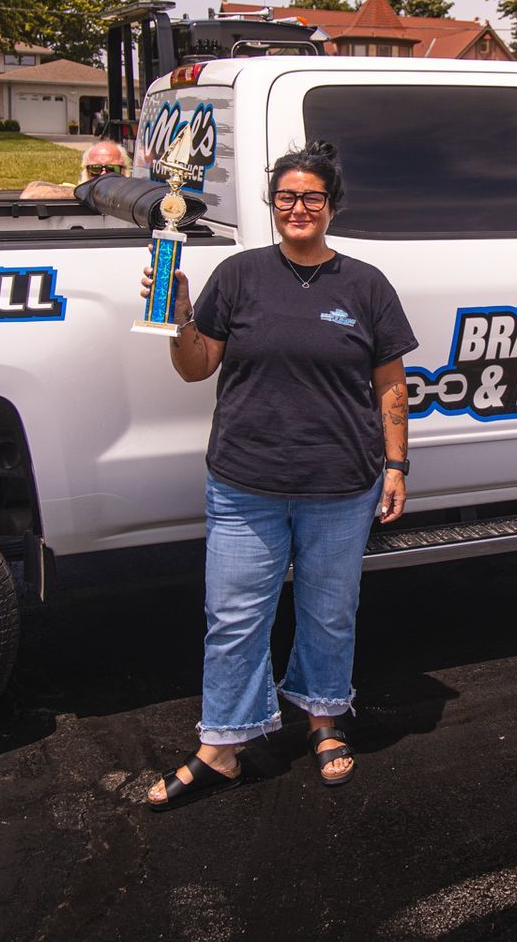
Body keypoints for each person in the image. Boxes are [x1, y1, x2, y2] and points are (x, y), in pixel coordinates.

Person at [142, 140, 417, 811]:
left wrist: (397, 464)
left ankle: (325, 719)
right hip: (244, 481)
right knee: (234, 617)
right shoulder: (238, 276)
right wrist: (178, 317)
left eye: (312, 198)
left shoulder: (365, 284)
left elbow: (391, 386)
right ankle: (223, 745)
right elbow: (195, 366)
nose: (299, 209)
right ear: (272, 205)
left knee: (329, 613)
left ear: (331, 206)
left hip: (340, 483)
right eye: (287, 197)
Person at [19, 138, 128, 200]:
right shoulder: (75, 191)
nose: (104, 174)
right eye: (95, 169)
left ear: (125, 170)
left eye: (112, 169)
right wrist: (87, 192)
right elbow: (29, 194)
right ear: (85, 171)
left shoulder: (133, 194)